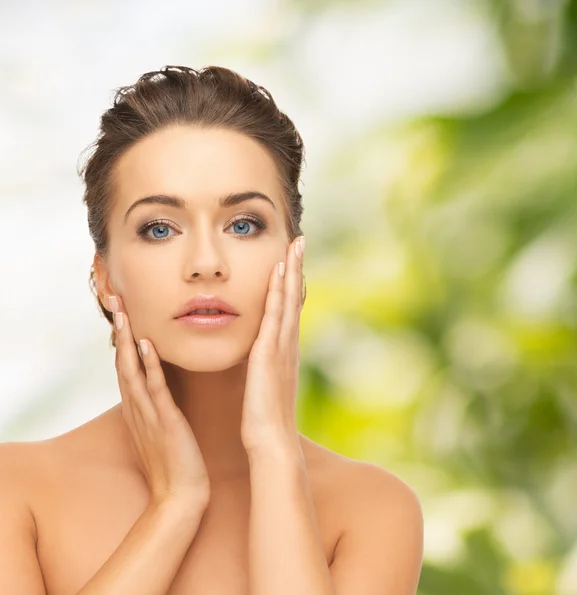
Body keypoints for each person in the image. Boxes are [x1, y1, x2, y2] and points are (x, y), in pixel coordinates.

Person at [0, 65, 424, 594]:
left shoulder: (373, 510)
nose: (206, 263)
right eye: (160, 228)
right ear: (105, 277)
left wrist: (273, 452)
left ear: (294, 259)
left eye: (243, 225)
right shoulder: (14, 490)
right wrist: (174, 506)